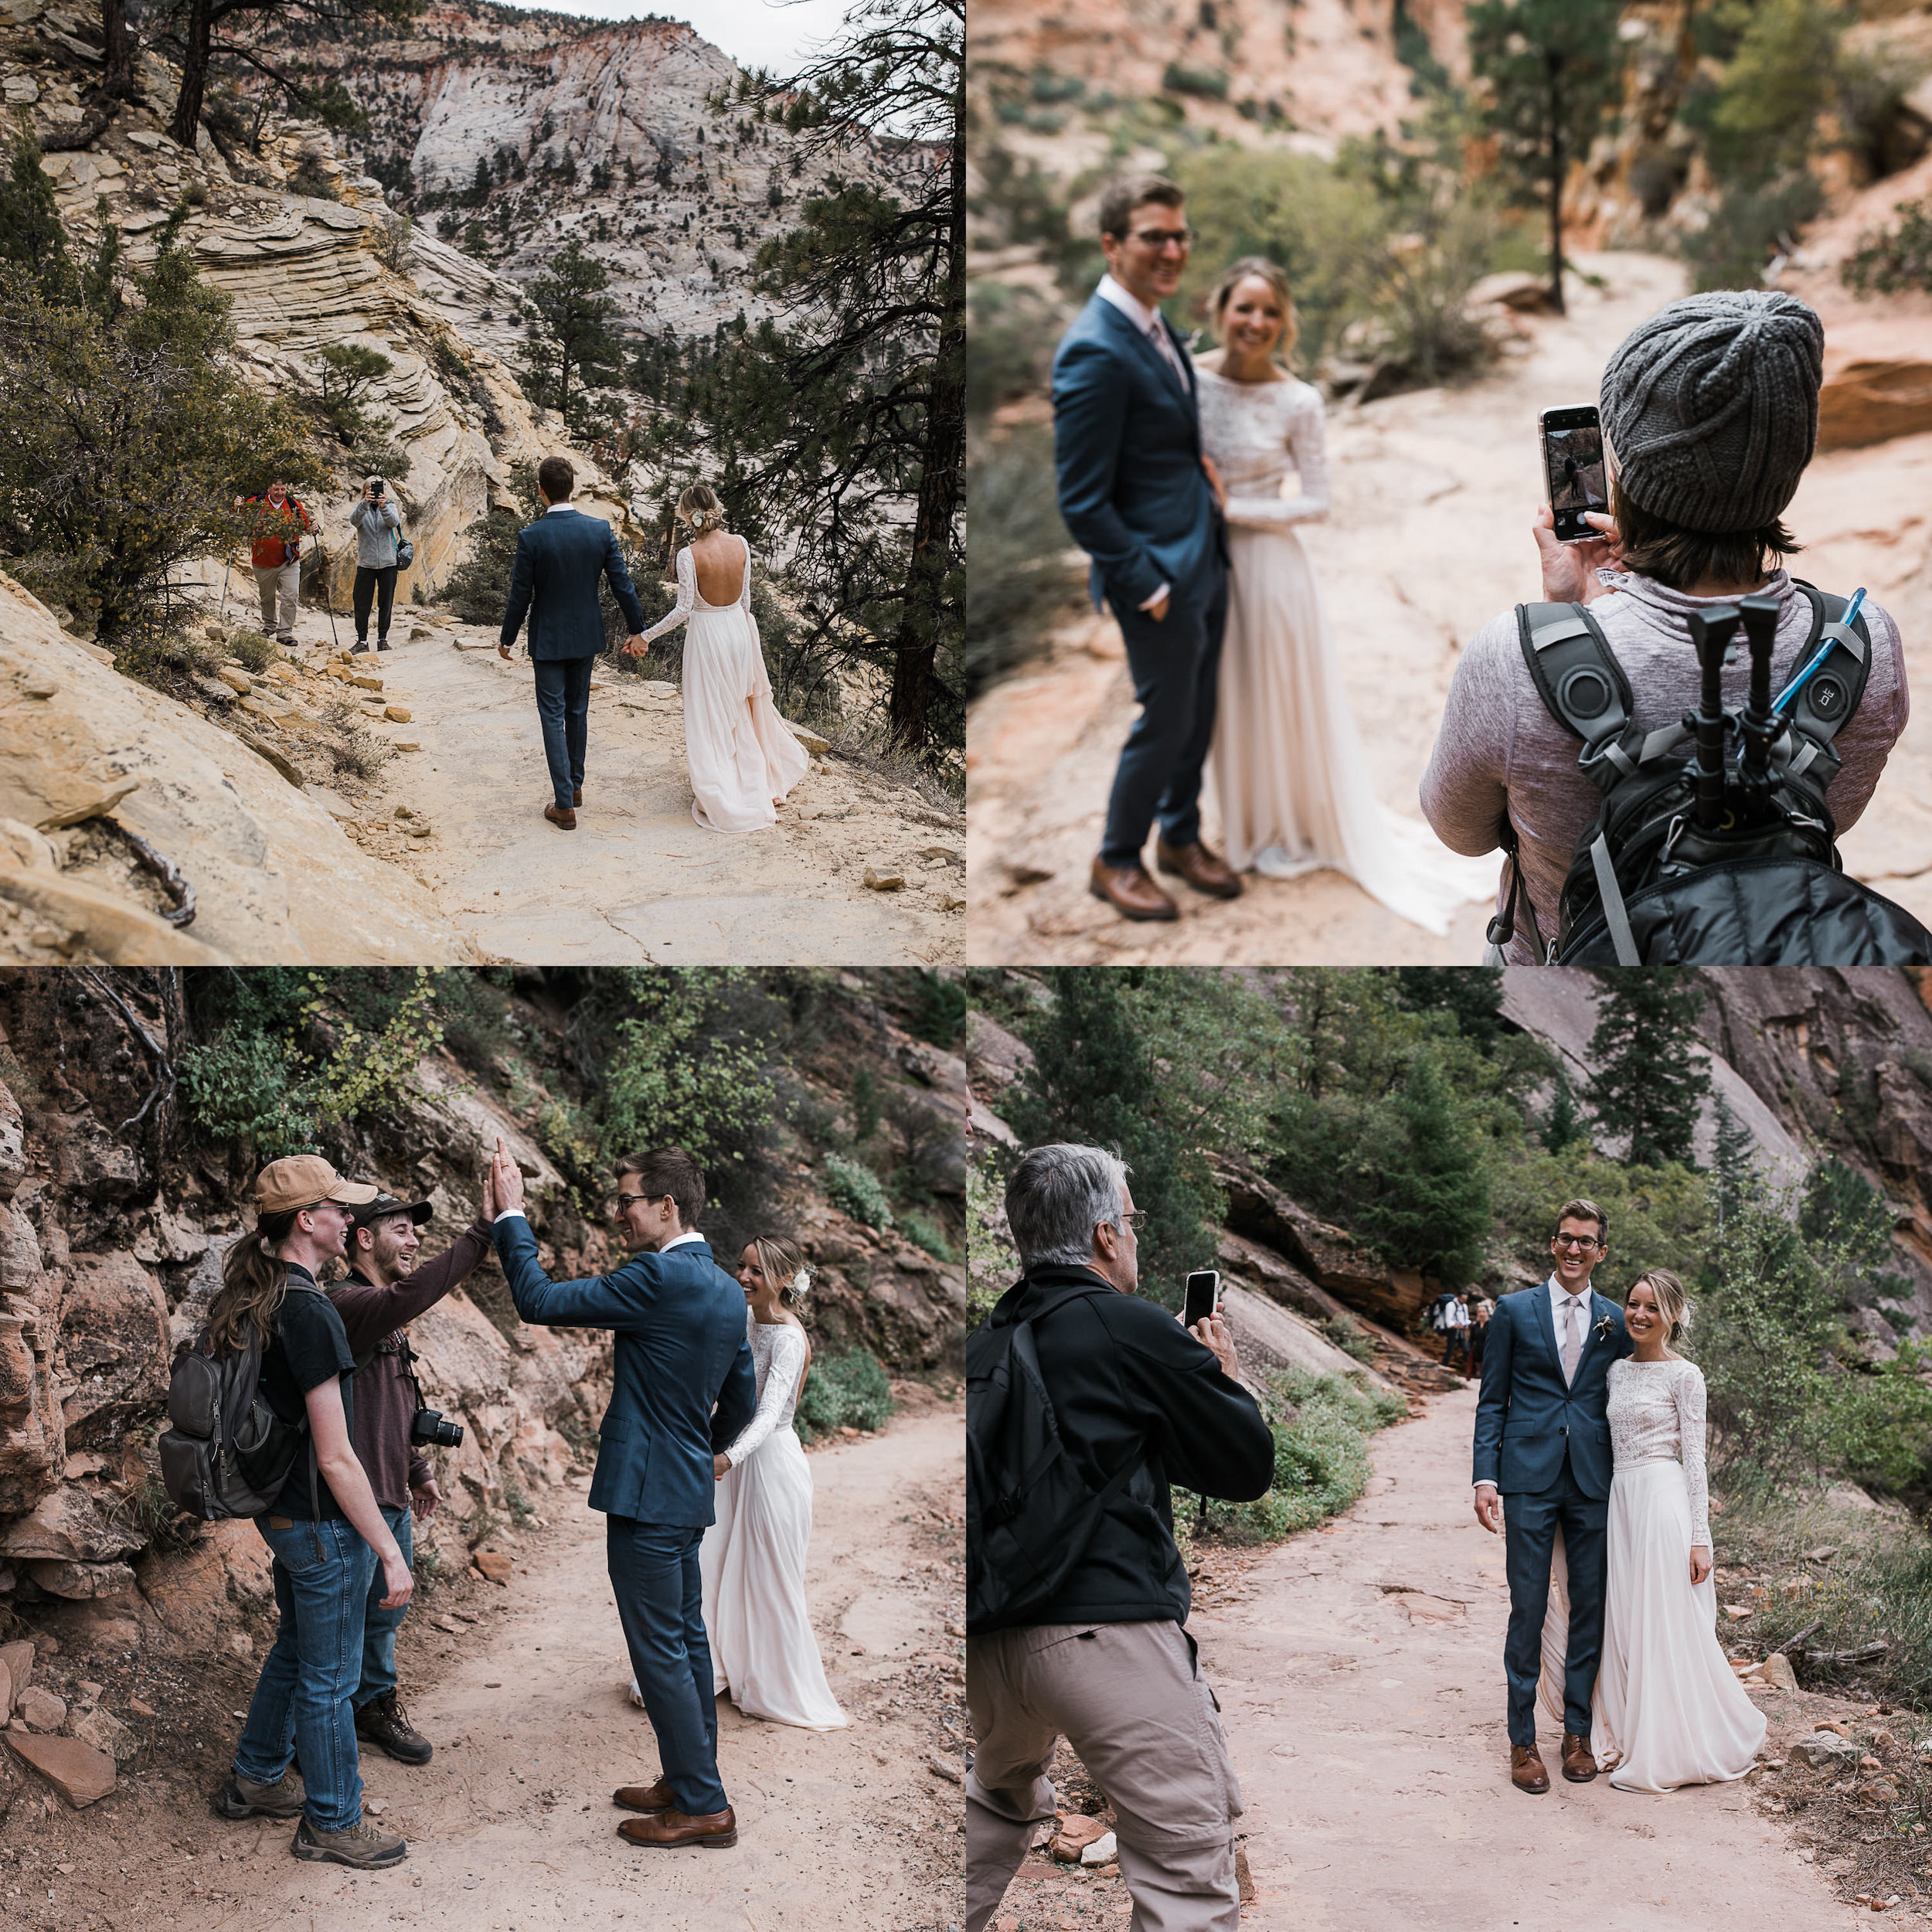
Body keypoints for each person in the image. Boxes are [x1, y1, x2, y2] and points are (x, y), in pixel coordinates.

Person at [1420, 290, 1908, 961]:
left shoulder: (1515, 657)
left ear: (1627, 471)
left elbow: (1461, 832)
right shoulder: (1859, 646)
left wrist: (1576, 627)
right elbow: (1833, 814)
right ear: (1789, 464)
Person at [966, 1143, 1276, 1932]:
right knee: (1185, 1880)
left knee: (991, 1820)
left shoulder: (991, 1335)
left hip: (992, 1641)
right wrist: (1220, 1375)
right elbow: (1244, 1465)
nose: (1134, 1236)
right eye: (1131, 1220)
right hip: (1106, 1632)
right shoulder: (1131, 1328)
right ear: (1106, 1234)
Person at [1193, 257, 1495, 930]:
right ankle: (1242, 828)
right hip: (1199, 565)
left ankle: (1292, 823)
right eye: (1245, 307)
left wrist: (1232, 510)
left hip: (1271, 571)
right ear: (1220, 309)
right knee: (1226, 697)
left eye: (1270, 311)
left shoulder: (1298, 400)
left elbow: (1319, 502)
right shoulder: (1187, 379)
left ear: (1284, 321)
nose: (1256, 322)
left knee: (1277, 693)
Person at [485, 1139, 757, 1849]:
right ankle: (689, 1776)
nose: (619, 1215)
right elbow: (741, 1401)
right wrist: (696, 1450)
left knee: (660, 1648)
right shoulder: (729, 1290)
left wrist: (511, 1215)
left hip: (646, 1495)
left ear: (668, 1206)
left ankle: (702, 1804)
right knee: (686, 1641)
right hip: (685, 1488)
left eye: (627, 1201)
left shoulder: (656, 1279)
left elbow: (537, 1300)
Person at [211, 1155, 413, 1871]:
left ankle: (256, 1778)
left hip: (283, 1514)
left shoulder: (258, 1295)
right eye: (341, 1210)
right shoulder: (310, 1311)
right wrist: (389, 1548)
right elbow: (336, 1455)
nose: (351, 1221)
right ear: (309, 1221)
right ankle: (333, 1822)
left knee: (297, 1649)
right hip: (323, 1518)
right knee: (331, 1679)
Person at [1054, 175, 1241, 924]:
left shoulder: (1155, 328)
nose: (1172, 249)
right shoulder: (1093, 350)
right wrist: (1148, 583)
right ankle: (1117, 857)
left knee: (1197, 712)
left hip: (1204, 554)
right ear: (1111, 244)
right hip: (1157, 573)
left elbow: (1161, 444)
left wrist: (1202, 480)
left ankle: (1181, 838)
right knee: (1162, 719)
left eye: (1180, 235)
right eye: (1153, 236)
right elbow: (1080, 501)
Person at [1537, 1270, 1766, 1791]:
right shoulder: (1615, 1371)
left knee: (1662, 1620)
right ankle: (1625, 1727)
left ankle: (1671, 1741)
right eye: (1633, 1304)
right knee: (1621, 1620)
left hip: (1662, 1502)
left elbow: (1696, 1461)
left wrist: (1700, 1536)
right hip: (1617, 1503)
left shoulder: (1687, 1376)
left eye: (1653, 1308)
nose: (1639, 1315)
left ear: (1673, 1317)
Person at [1471, 1198, 1633, 1794]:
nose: (1574, 1249)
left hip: (1594, 1480)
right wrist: (1484, 1477)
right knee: (1529, 1606)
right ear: (1552, 1243)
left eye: (1586, 1241)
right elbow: (1492, 1400)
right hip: (1527, 1476)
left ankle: (1578, 1734)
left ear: (1601, 1252)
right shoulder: (1514, 1311)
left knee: (1590, 1607)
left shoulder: (1617, 1320)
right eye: (1566, 1238)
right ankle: (1521, 1742)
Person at [328, 1186, 493, 1766]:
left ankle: (374, 1708)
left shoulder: (384, 1317)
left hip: (390, 1494)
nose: (415, 1240)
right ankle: (319, 1736)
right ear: (364, 1239)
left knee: (384, 1618)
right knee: (339, 1636)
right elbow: (419, 1291)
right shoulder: (349, 1305)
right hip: (351, 1505)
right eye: (402, 1230)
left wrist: (417, 1467)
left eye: (415, 1231)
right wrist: (483, 1231)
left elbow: (389, 1403)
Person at [690, 1233, 848, 1730]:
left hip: (769, 1466)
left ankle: (774, 1682)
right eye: (741, 1266)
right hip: (733, 1464)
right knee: (710, 1564)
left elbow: (768, 1415)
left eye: (755, 1271)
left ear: (783, 1280)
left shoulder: (788, 1337)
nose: (742, 1277)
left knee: (768, 1575)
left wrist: (728, 1457)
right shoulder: (743, 1321)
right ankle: (713, 1672)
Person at [627, 485, 809, 832]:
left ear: (687, 515)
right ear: (716, 508)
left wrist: (645, 636)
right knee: (737, 708)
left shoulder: (688, 555)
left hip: (708, 637)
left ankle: (723, 785)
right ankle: (748, 777)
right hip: (739, 632)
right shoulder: (740, 544)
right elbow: (746, 604)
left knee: (709, 714)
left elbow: (683, 610)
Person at [498, 454, 648, 832]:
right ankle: (575, 787)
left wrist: (507, 638)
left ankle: (564, 804)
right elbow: (622, 585)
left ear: (540, 491)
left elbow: (520, 595)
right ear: (573, 488)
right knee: (577, 709)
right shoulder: (598, 530)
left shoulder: (531, 536)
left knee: (552, 714)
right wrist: (637, 629)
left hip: (548, 638)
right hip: (585, 636)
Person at [234, 480, 315, 651]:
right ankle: (269, 626)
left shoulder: (293, 505)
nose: (279, 492)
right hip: (263, 561)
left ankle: (285, 633)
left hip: (289, 560)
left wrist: (314, 527)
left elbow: (308, 526)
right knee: (267, 597)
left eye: (283, 489)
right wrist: (237, 507)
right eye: (276, 489)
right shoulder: (257, 503)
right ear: (269, 489)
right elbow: (238, 516)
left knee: (291, 595)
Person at [348, 478, 403, 655]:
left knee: (386, 602)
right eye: (369, 490)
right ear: (364, 492)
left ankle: (382, 639)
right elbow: (353, 521)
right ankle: (362, 641)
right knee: (361, 603)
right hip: (366, 563)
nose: (373, 493)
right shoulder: (360, 508)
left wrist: (383, 505)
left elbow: (393, 522)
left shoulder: (390, 506)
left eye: (376, 490)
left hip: (388, 563)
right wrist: (364, 503)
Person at [1467, 1297, 1492, 1384]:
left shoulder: (1491, 1325)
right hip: (1477, 1351)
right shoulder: (1475, 1326)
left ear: (1487, 1313)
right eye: (1479, 1312)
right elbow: (1471, 1339)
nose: (1481, 1314)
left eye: (1483, 1312)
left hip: (1488, 1351)